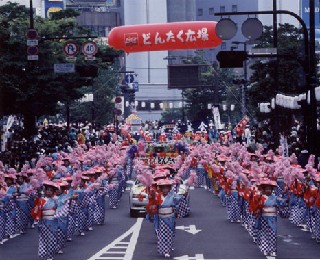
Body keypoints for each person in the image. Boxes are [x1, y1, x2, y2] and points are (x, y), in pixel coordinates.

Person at [156, 178, 182, 258]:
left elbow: (178, 200)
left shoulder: (173, 195)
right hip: (161, 217)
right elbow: (153, 205)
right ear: (160, 189)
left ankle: (167, 250)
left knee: (169, 234)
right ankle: (163, 249)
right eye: (163, 188)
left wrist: (178, 199)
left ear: (169, 188)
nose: (165, 189)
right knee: (162, 234)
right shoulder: (158, 196)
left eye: (166, 188)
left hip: (170, 216)